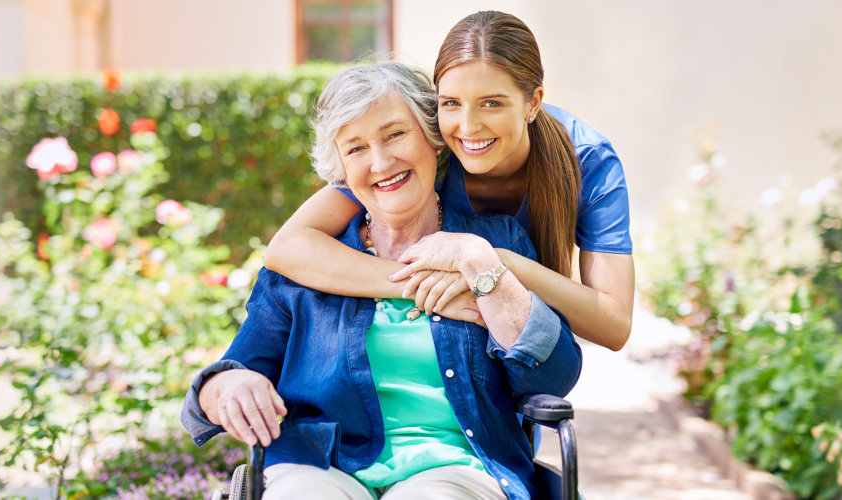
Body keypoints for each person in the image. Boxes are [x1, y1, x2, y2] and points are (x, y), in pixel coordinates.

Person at [181, 61, 580, 500]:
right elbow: (234, 369)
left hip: (457, 467)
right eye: (355, 149)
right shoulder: (305, 266)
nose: (380, 162)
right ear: (341, 170)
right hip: (318, 464)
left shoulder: (495, 241)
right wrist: (229, 385)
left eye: (395, 135)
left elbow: (554, 377)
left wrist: (486, 273)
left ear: (433, 138)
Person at [266, 10, 637, 351]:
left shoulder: (587, 160)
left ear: (533, 102)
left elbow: (614, 324)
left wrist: (491, 263)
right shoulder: (427, 146)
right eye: (451, 103)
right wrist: (411, 285)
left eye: (492, 103)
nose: (468, 126)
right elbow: (287, 247)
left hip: (525, 342)